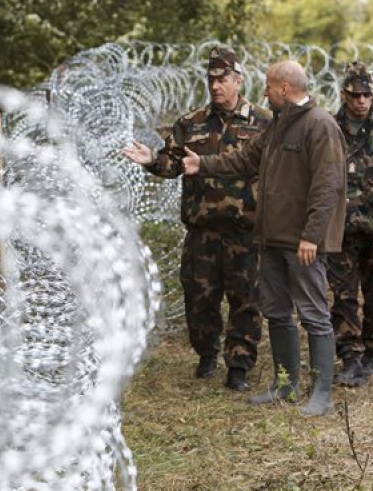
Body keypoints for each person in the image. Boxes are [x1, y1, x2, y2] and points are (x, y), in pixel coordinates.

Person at [182, 60, 347, 416]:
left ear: (285, 88)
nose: (264, 93)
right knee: (276, 312)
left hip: (302, 243)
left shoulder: (320, 125)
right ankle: (285, 384)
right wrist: (203, 164)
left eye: (269, 87)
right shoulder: (278, 126)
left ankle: (322, 394)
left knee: (314, 314)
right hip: (271, 238)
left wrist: (311, 236)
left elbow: (328, 186)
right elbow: (244, 158)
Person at [123, 47, 272, 392]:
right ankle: (206, 355)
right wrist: (150, 160)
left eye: (223, 80)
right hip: (203, 230)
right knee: (199, 297)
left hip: (245, 230)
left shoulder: (263, 122)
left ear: (238, 80)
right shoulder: (191, 124)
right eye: (211, 80)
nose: (216, 86)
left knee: (246, 301)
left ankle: (238, 365)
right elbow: (170, 164)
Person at [329, 62, 373, 387]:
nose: (363, 101)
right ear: (345, 95)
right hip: (340, 227)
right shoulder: (330, 127)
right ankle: (350, 356)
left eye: (367, 94)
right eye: (356, 95)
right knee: (344, 296)